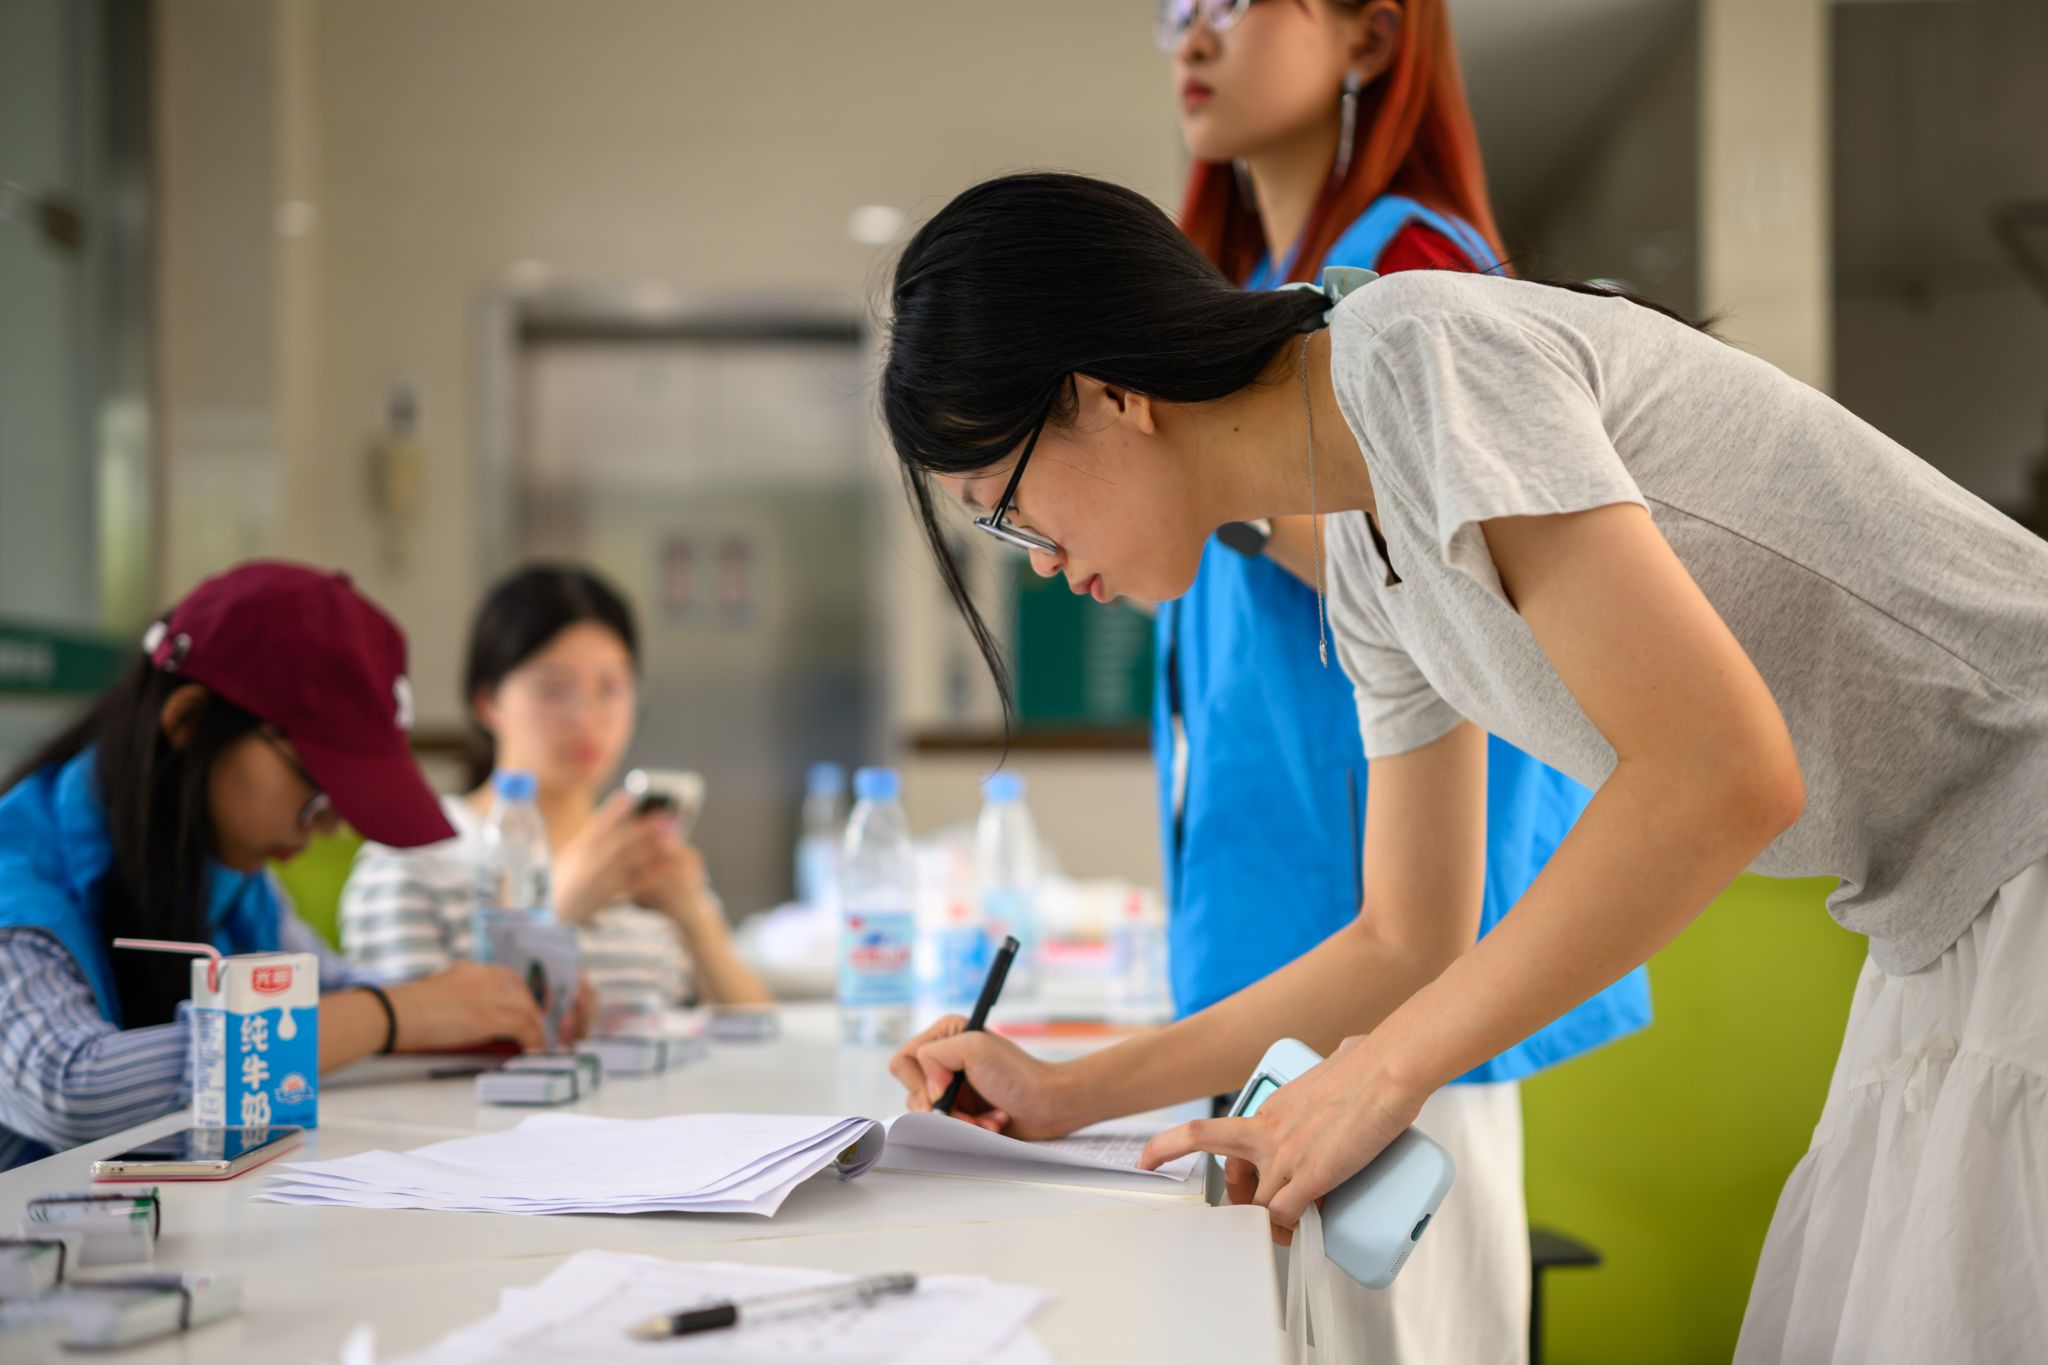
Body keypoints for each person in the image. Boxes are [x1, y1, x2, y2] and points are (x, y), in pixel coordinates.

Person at [876, 171, 2048, 1364]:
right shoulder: (1362, 547)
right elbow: (1403, 940)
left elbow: (1719, 775)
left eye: (1002, 507)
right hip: (1939, 915)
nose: (1033, 560)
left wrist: (1381, 1075)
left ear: (1106, 395)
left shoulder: (1416, 353)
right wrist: (1065, 1093)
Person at [1151, 2, 1650, 1355]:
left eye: (1231, 2)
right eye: (1170, 9)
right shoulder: (1246, 286)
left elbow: (1466, 573)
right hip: (1281, 929)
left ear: (1371, 39)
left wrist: (1216, 482)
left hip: (1391, 949)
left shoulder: (1415, 270)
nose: (1188, 36)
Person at [0, 562, 562, 1171]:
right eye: (318, 787)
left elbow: (327, 987)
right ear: (189, 721)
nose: (327, 826)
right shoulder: (18, 881)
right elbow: (70, 1088)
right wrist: (391, 1016)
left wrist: (489, 1006)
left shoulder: (227, 873)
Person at [341, 564, 769, 1012]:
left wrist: (694, 918)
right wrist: (554, 912)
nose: (585, 718)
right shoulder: (413, 856)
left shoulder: (638, 858)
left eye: (611, 688)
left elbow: (759, 1030)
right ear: (487, 702)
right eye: (553, 690)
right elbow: (404, 1036)